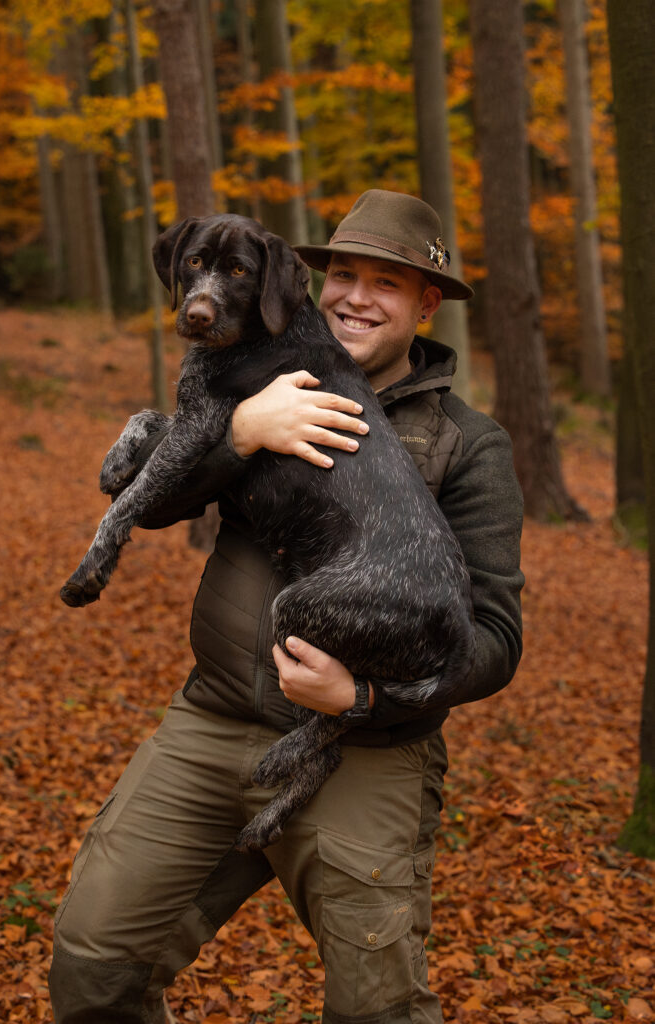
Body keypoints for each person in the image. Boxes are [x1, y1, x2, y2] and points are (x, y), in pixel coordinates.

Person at [49, 189, 524, 1024]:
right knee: (94, 970)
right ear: (306, 282)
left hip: (367, 749)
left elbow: (491, 637)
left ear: (426, 304)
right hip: (210, 722)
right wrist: (242, 432)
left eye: (385, 283)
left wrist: (361, 697)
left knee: (376, 1010)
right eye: (343, 275)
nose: (355, 297)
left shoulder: (466, 442)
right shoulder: (251, 372)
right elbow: (150, 504)